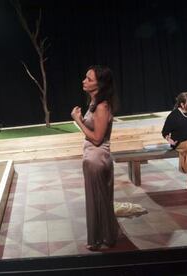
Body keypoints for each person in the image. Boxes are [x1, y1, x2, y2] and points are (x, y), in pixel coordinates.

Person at [71, 65, 119, 251]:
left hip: (97, 159)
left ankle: (103, 238)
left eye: (89, 79)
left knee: (98, 200)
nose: (84, 81)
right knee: (99, 199)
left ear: (100, 84)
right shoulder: (95, 104)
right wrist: (82, 121)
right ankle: (104, 236)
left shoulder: (101, 106)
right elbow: (94, 131)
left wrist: (78, 121)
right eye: (85, 77)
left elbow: (98, 138)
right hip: (93, 157)